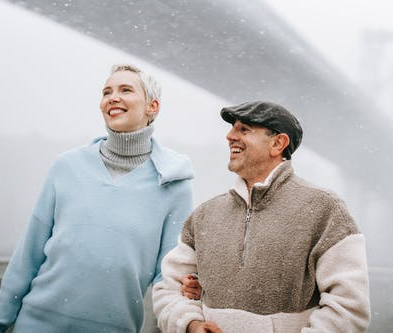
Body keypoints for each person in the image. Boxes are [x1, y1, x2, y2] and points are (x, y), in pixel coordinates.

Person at [0, 64, 194, 333]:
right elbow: (27, 255)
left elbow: (169, 275)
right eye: (106, 92)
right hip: (36, 322)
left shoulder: (173, 183)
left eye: (126, 90)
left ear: (152, 106)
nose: (112, 97)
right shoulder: (66, 167)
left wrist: (187, 319)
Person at [152, 101, 371, 333]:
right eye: (232, 128)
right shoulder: (205, 215)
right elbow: (168, 288)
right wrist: (191, 325)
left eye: (244, 129)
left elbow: (349, 309)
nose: (229, 136)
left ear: (278, 143)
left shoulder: (325, 210)